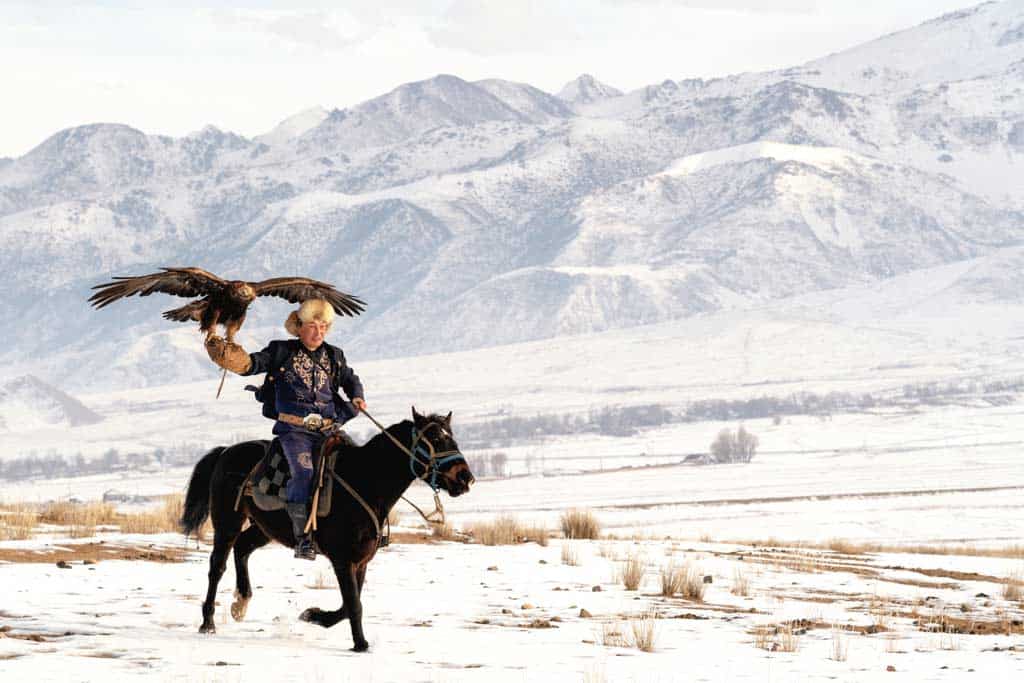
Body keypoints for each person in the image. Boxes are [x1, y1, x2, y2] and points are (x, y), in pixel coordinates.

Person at [205, 299, 367, 560]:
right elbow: (254, 364)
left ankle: (358, 531)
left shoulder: (335, 355)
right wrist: (236, 360)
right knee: (303, 473)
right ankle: (303, 538)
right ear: (298, 327)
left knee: (357, 468)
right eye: (313, 326)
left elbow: (349, 378)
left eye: (324, 327)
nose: (318, 332)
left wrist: (356, 395)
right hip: (295, 432)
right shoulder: (281, 351)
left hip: (329, 428)